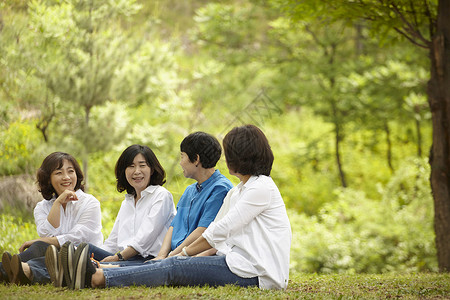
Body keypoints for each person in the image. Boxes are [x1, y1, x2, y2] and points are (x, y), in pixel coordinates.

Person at [53, 124, 292, 290]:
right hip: (237, 263)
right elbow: (217, 232)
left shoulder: (261, 188)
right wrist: (176, 256)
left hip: (257, 273)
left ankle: (97, 277)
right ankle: (94, 271)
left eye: (230, 153)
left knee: (174, 267)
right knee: (172, 265)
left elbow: (219, 231)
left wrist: (184, 254)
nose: (226, 159)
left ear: (243, 156)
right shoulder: (240, 189)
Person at [96, 131, 233, 270]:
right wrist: (163, 256)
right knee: (88, 251)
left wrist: (172, 256)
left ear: (196, 159)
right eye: (131, 166)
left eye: (182, 157)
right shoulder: (189, 191)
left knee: (132, 268)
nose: (180, 163)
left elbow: (202, 231)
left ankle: (100, 270)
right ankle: (94, 267)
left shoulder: (220, 189)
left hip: (189, 256)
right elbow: (173, 227)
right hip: (171, 255)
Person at [0, 152, 103, 284]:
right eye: (59, 173)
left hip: (85, 258)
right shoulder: (41, 207)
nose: (66, 177)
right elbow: (47, 235)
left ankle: (15, 270)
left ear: (76, 175)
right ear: (48, 178)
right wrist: (57, 203)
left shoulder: (90, 203)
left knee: (44, 248)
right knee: (41, 247)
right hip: (51, 257)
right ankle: (16, 271)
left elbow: (79, 237)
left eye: (70, 171)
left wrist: (43, 241)